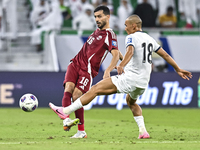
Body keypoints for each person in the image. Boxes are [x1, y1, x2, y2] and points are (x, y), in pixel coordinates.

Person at [49, 14, 192, 139]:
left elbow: (130, 52)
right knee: (131, 102)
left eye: (126, 25)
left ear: (134, 26)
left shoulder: (132, 37)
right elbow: (165, 55)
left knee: (95, 89)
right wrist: (178, 69)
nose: (125, 28)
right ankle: (143, 131)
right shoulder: (150, 39)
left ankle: (65, 110)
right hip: (143, 82)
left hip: (131, 78)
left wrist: (122, 65)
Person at [50, 5, 123, 138]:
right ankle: (66, 120)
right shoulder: (97, 31)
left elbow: (116, 53)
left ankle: (81, 131)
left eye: (99, 16)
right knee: (68, 88)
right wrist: (122, 62)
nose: (97, 19)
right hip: (75, 63)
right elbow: (118, 53)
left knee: (77, 96)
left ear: (108, 17)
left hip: (87, 70)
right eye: (95, 17)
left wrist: (110, 69)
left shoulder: (109, 34)